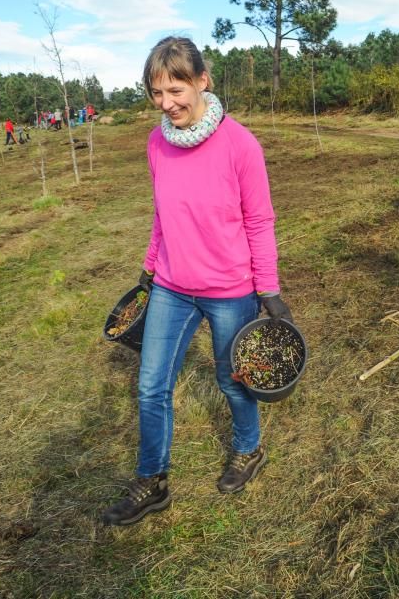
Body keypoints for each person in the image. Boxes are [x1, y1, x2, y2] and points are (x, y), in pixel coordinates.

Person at [101, 36, 292, 527]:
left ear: (202, 80)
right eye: (156, 94)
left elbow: (259, 220)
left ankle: (248, 450)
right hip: (171, 285)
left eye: (175, 90)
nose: (166, 104)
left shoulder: (240, 144)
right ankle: (152, 481)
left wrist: (267, 288)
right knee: (150, 386)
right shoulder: (155, 141)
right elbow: (163, 213)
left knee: (235, 381)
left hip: (231, 290)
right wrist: (149, 267)